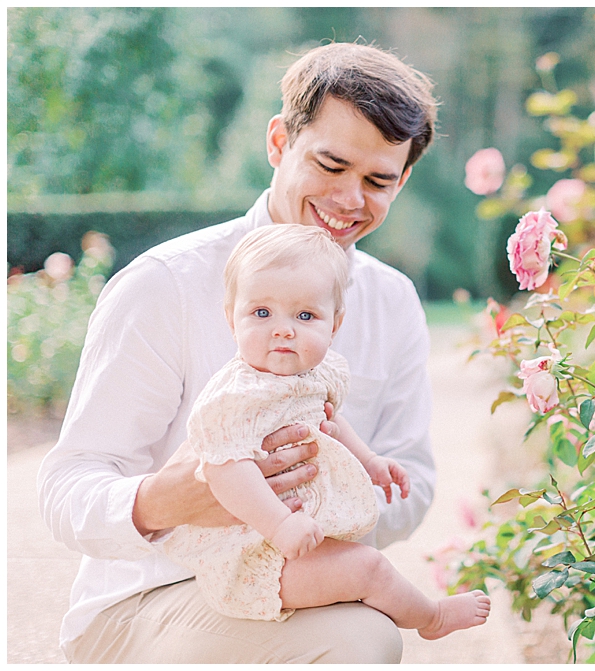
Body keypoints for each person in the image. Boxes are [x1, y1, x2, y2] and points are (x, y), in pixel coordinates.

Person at [38, 42, 447, 663]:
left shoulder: (393, 302)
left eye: (376, 181)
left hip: (303, 586)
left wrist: (322, 495)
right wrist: (173, 499)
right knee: (363, 639)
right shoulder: (164, 284)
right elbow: (66, 488)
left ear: (403, 180)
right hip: (145, 598)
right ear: (279, 142)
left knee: (357, 629)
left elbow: (410, 483)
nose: (348, 199)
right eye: (330, 165)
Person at [160, 223, 489, 636]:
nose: (283, 329)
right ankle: (431, 618)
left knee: (357, 561)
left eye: (305, 315)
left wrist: (370, 461)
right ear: (231, 319)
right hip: (252, 556)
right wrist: (279, 524)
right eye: (262, 313)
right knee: (369, 568)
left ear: (334, 325)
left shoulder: (317, 372)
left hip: (298, 537)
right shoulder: (234, 398)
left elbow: (329, 421)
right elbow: (225, 471)